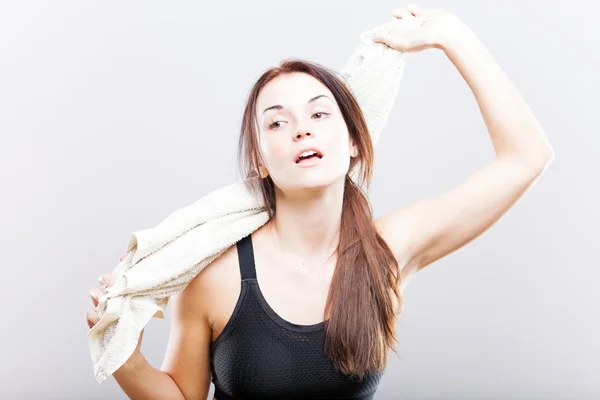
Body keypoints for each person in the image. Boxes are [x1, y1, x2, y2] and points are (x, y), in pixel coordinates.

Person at [86, 5, 554, 399]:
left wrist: (453, 35)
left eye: (318, 112)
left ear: (353, 141)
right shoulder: (215, 273)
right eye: (276, 122)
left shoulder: (387, 253)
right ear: (262, 163)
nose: (301, 128)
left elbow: (526, 156)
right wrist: (124, 357)